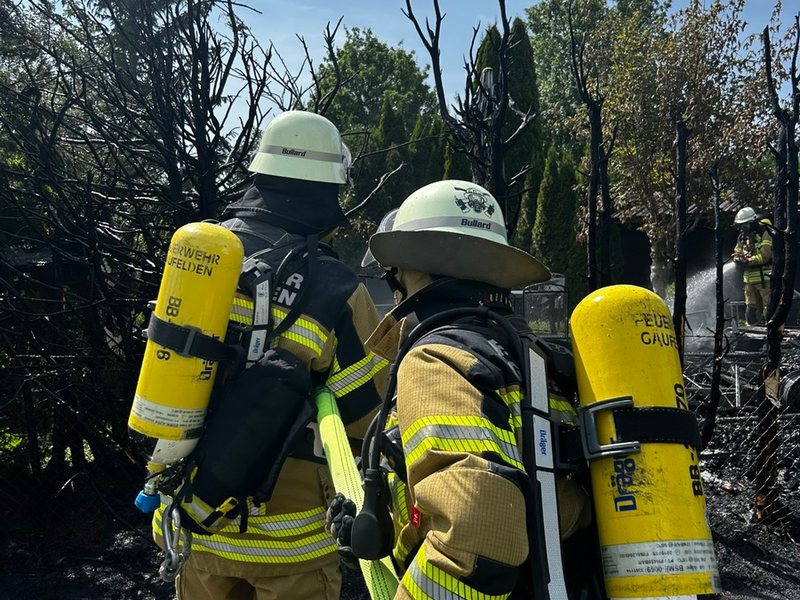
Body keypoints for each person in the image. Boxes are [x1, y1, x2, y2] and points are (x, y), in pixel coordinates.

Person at [153, 110, 389, 600]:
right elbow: (364, 422)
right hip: (291, 545)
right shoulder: (336, 289)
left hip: (195, 518)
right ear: (329, 190)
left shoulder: (201, 261)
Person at [328, 180, 596, 599]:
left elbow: (477, 538)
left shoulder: (437, 359)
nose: (393, 281)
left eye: (395, 269)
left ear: (414, 266)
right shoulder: (527, 353)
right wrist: (381, 526)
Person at [732, 206, 773, 326]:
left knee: (768, 310)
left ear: (752, 222)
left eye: (744, 224)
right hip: (749, 280)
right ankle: (753, 340)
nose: (742, 227)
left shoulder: (765, 233)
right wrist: (737, 258)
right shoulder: (743, 237)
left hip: (765, 279)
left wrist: (748, 261)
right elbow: (737, 251)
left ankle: (772, 336)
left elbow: (765, 255)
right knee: (751, 313)